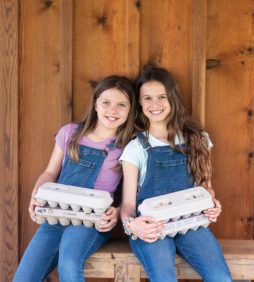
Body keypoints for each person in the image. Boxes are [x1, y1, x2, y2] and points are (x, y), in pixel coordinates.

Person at [13, 75, 137, 282]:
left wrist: (116, 212)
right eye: (106, 102)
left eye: (121, 104)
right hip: (56, 213)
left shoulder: (127, 146)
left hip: (91, 220)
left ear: (130, 110)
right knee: (24, 277)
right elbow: (50, 173)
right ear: (95, 103)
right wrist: (37, 193)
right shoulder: (70, 134)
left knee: (69, 263)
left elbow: (131, 194)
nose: (112, 110)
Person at [120, 64, 232, 281]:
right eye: (147, 98)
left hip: (191, 223)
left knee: (221, 278)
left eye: (162, 97)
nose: (155, 104)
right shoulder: (135, 148)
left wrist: (212, 205)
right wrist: (132, 225)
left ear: (173, 98)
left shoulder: (197, 139)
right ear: (140, 103)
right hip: (152, 228)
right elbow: (127, 206)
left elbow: (206, 187)